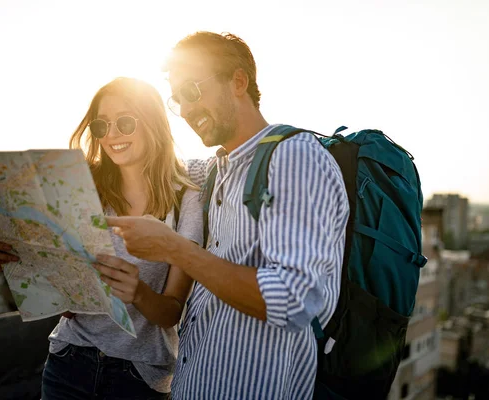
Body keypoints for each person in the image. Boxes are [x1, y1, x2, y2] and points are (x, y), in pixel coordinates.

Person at [106, 32, 350, 399]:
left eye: (192, 91)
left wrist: (176, 249)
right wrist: (23, 238)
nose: (185, 110)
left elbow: (294, 299)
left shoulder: (296, 159)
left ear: (239, 81)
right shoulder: (214, 172)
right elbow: (151, 167)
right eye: (177, 100)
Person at [0, 77, 203, 399]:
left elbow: (171, 312)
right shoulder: (80, 185)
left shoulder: (186, 200)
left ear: (153, 123)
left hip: (138, 377)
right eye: (102, 126)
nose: (112, 135)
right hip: (69, 359)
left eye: (125, 122)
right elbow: (57, 281)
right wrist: (10, 256)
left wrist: (138, 293)